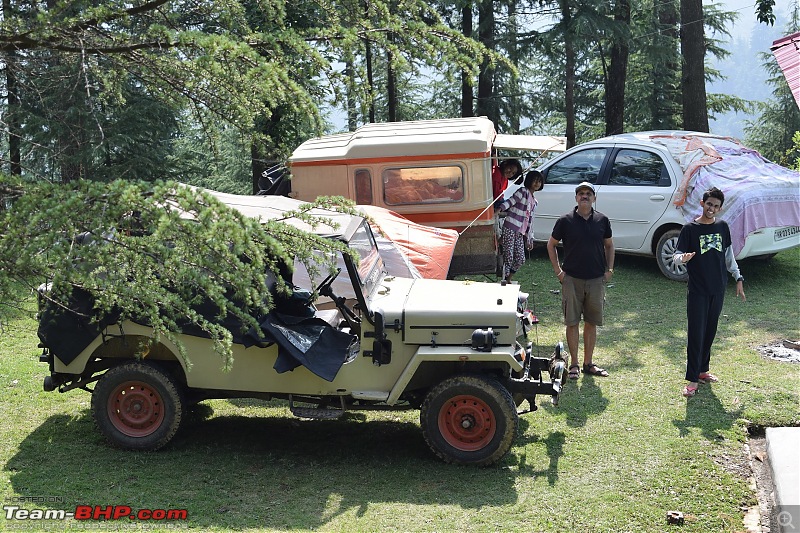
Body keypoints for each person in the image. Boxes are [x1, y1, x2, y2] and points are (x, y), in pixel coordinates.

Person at [673, 187, 745, 398]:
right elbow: (676, 256)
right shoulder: (690, 229)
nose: (711, 208)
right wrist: (683, 258)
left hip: (717, 288)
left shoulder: (722, 227)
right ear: (702, 204)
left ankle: (703, 371)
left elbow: (728, 256)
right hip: (698, 290)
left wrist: (738, 277)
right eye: (709, 204)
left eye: (715, 206)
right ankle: (692, 379)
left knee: (710, 331)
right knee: (696, 333)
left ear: (720, 208)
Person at [546, 181, 614, 379]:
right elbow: (551, 245)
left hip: (596, 280)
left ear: (594, 198)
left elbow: (609, 245)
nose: (585, 196)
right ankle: (574, 364)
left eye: (588, 193)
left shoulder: (602, 220)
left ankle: (588, 363)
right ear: (576, 198)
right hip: (571, 279)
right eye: (581, 193)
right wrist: (559, 272)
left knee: (591, 322)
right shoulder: (565, 221)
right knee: (572, 322)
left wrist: (609, 270)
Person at [497, 170, 543, 283]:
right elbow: (511, 201)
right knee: (509, 257)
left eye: (539, 181)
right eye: (535, 180)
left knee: (520, 259)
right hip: (510, 227)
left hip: (520, 232)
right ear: (529, 181)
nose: (537, 183)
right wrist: (499, 209)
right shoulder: (523, 191)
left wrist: (529, 238)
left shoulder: (535, 201)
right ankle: (504, 281)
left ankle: (508, 278)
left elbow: (530, 221)